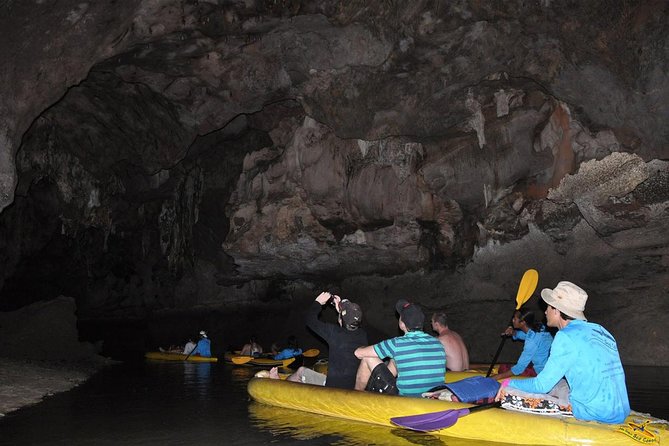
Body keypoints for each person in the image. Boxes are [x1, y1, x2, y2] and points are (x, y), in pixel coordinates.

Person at [496, 281, 630, 424]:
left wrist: (508, 382)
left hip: (593, 412)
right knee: (558, 383)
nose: (545, 311)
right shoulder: (601, 330)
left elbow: (541, 386)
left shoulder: (565, 336)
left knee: (508, 392)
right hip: (621, 410)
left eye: (548, 307)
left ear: (557, 310)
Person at [268, 291, 368, 389]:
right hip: (351, 388)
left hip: (333, 389)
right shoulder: (362, 335)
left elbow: (310, 320)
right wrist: (341, 311)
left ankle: (279, 386)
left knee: (301, 371)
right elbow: (348, 322)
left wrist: (318, 302)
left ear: (341, 318)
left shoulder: (334, 333)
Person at [354, 299, 446, 397]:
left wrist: (363, 347)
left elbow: (358, 353)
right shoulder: (438, 343)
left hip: (406, 402)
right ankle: (375, 393)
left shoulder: (396, 344)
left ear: (402, 324)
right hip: (432, 400)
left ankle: (356, 396)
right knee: (395, 360)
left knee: (368, 357)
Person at [490, 308, 553, 379]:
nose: (512, 320)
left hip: (542, 373)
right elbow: (527, 335)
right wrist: (514, 333)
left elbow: (520, 367)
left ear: (523, 323)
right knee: (506, 367)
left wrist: (496, 377)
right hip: (549, 366)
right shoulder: (540, 328)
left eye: (515, 319)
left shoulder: (531, 342)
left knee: (503, 369)